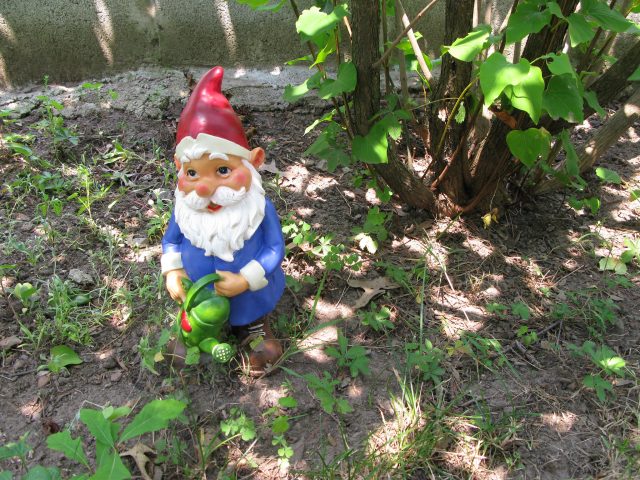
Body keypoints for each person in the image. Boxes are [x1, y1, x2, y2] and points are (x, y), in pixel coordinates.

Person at [161, 66, 285, 376]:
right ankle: (197, 333)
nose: (205, 188)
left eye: (223, 171)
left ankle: (253, 327)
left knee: (251, 306)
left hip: (248, 292)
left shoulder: (259, 207)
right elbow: (172, 240)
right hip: (200, 294)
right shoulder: (186, 209)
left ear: (254, 161)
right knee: (198, 322)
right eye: (192, 173)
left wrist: (245, 279)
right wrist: (173, 270)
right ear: (178, 168)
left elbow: (273, 248)